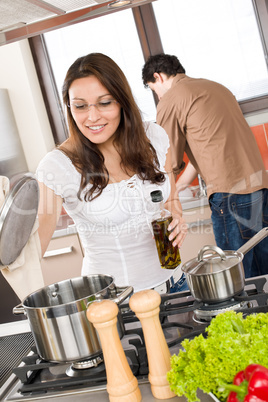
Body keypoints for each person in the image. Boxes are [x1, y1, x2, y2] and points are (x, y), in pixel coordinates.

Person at [36, 52, 188, 294]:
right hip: (114, 303)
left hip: (177, 285)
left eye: (105, 103)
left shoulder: (153, 137)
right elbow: (32, 249)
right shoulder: (57, 165)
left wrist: (177, 219)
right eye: (80, 106)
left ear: (121, 101)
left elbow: (170, 199)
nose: (92, 116)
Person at [142, 53, 268, 278]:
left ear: (158, 77)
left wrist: (168, 198)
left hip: (229, 194)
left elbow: (166, 158)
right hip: (259, 188)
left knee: (237, 275)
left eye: (153, 90)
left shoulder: (172, 99)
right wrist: (179, 187)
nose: (158, 97)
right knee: (263, 271)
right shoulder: (216, 88)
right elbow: (208, 149)